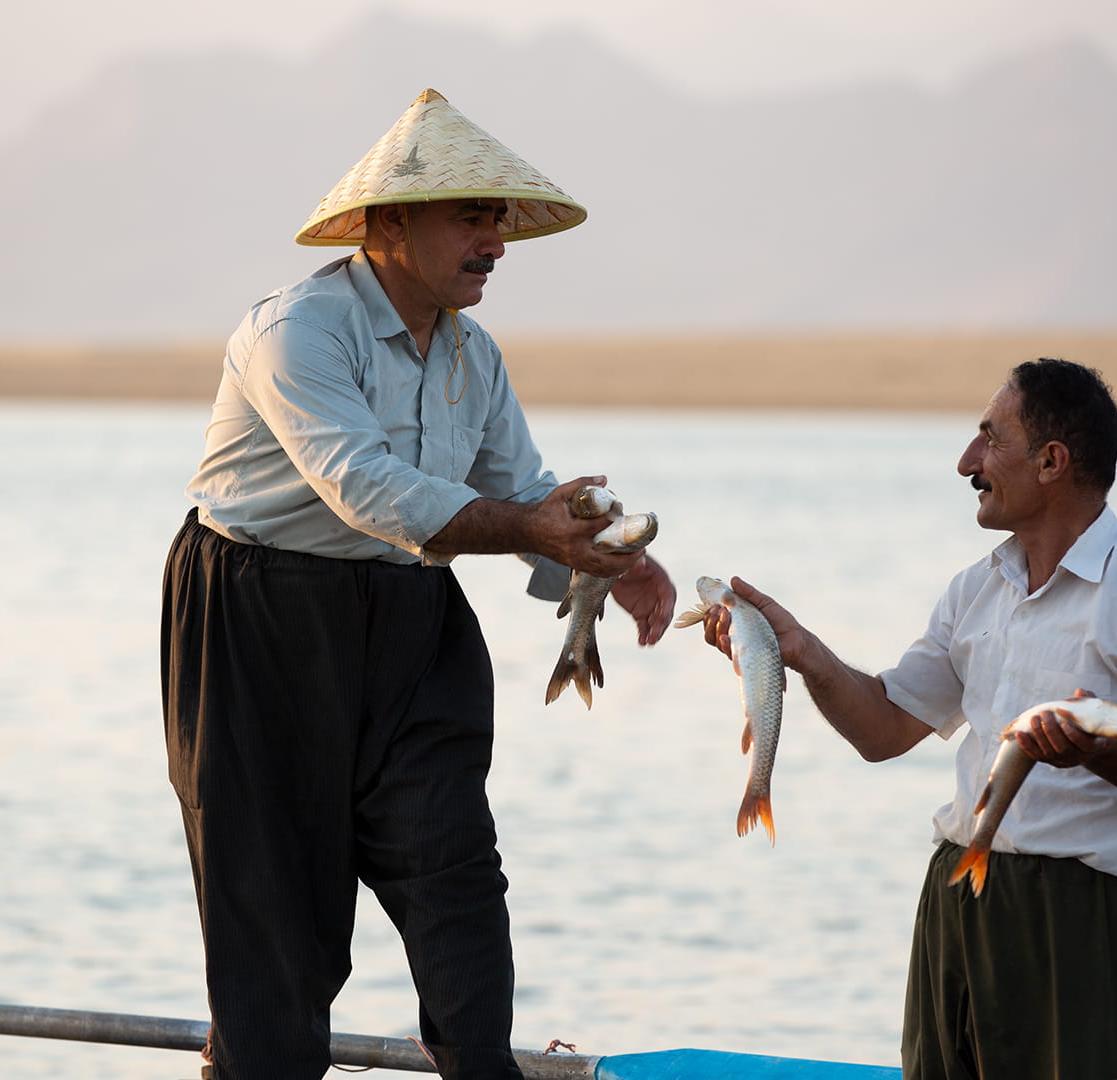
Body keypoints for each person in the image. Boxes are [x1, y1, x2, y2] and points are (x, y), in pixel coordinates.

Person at [159, 89, 676, 1080]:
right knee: (281, 933)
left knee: (459, 884)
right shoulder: (294, 332)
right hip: (258, 626)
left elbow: (524, 490)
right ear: (389, 224)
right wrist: (532, 527)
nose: (494, 242)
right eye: (471, 217)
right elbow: (367, 491)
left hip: (409, 620)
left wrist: (615, 555)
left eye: (498, 221)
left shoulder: (473, 354)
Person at [694, 359, 1117, 1080]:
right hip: (958, 901)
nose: (966, 463)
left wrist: (1093, 753)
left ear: (1051, 461)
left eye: (988, 439)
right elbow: (885, 729)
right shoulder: (976, 590)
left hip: (1092, 922)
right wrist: (803, 655)